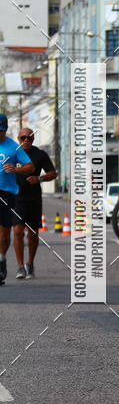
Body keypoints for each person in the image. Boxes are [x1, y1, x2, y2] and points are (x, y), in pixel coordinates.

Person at [13, 127, 57, 279]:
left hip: (34, 199)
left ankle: (30, 263)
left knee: (33, 234)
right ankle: (20, 267)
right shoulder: (12, 154)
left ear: (33, 139)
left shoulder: (40, 154)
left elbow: (53, 173)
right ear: (18, 138)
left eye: (29, 138)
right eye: (23, 137)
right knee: (18, 231)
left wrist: (39, 179)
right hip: (16, 198)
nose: (26, 140)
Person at [0, 114, 34, 285]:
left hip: (7, 193)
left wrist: (15, 169)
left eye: (0, 131)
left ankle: (2, 258)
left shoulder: (13, 147)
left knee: (5, 232)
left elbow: (30, 166)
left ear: (5, 130)